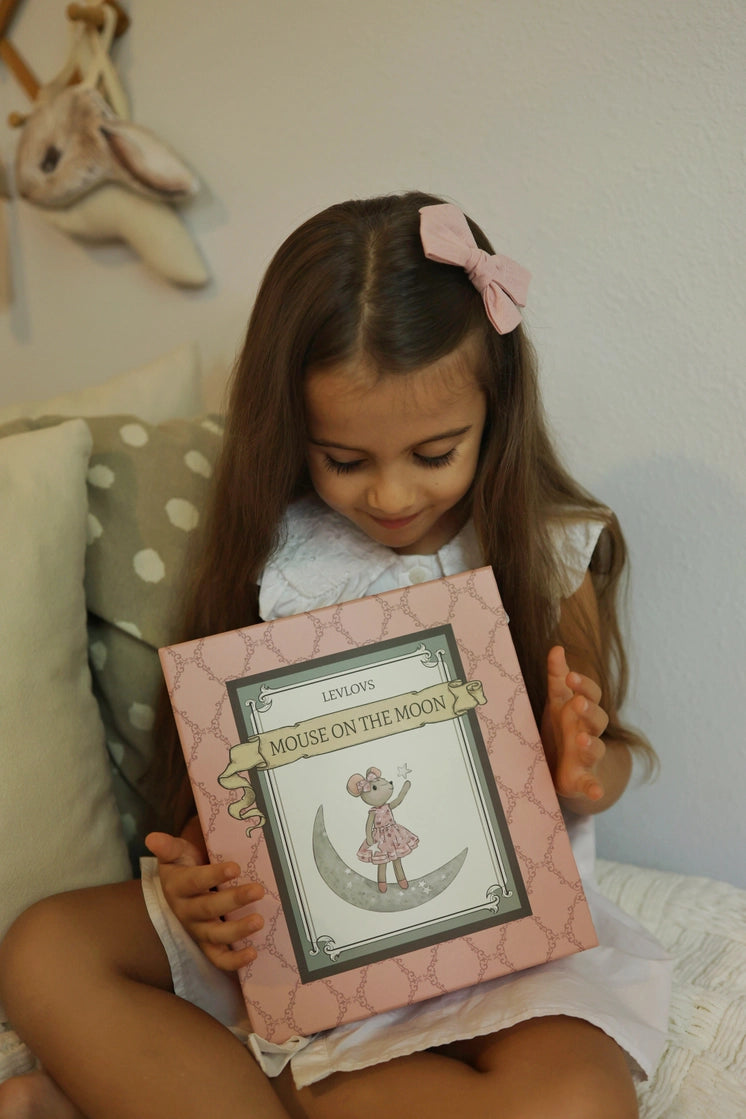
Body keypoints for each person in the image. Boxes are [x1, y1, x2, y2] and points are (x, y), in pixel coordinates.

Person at [0, 192, 671, 1119]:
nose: (391, 494)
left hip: (499, 934)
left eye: (436, 452)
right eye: (344, 460)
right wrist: (203, 879)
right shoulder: (278, 552)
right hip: (300, 935)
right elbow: (237, 783)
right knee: (45, 945)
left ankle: (198, 1092)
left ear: (497, 413)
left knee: (576, 1103)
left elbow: (610, 762)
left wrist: (580, 770)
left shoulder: (547, 549)